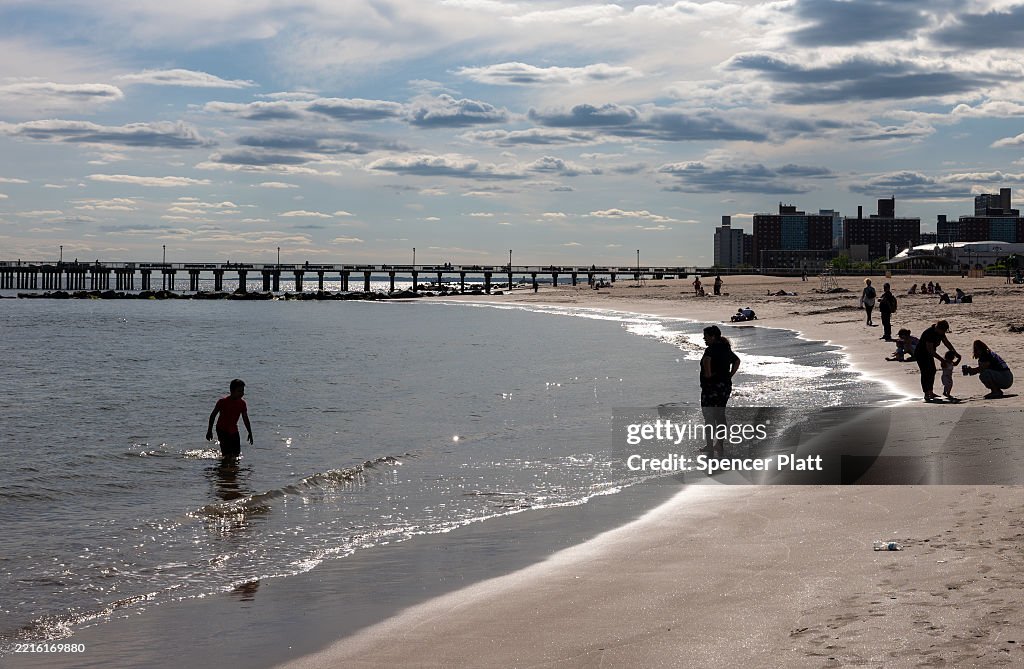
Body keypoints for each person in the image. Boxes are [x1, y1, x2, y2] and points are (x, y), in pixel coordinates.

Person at [699, 325, 740, 454]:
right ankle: (719, 445)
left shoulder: (710, 350)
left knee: (709, 416)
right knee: (720, 416)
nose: (704, 339)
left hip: (711, 388)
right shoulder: (725, 348)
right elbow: (737, 361)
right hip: (724, 387)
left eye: (706, 336)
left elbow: (707, 360)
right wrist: (730, 375)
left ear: (713, 336)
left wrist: (708, 374)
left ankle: (710, 445)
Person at [206, 379, 254, 459]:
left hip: (234, 430)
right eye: (239, 391)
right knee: (226, 453)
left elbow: (245, 418)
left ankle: (233, 470)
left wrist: (250, 432)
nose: (242, 393)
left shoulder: (242, 403)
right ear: (232, 391)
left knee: (236, 454)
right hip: (222, 429)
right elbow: (213, 415)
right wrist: (209, 431)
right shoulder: (222, 402)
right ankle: (224, 469)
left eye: (243, 391)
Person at [914, 320, 960, 402]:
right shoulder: (929, 333)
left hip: (929, 353)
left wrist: (955, 353)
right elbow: (930, 351)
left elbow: (947, 343)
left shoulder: (941, 332)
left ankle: (930, 391)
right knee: (925, 372)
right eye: (943, 330)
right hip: (921, 353)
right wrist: (942, 360)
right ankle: (926, 393)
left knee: (932, 371)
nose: (943, 332)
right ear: (938, 328)